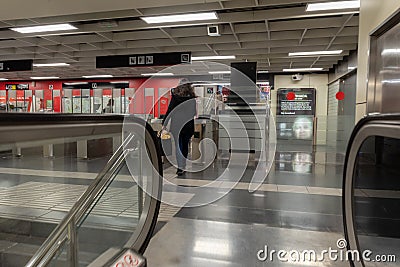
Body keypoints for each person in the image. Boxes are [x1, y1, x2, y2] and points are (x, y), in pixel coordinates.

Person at [162, 82, 197, 176]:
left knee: (178, 145)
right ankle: (183, 165)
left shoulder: (175, 97)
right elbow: (194, 113)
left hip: (177, 124)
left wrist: (164, 123)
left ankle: (180, 167)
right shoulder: (192, 99)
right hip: (188, 125)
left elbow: (169, 110)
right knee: (185, 145)